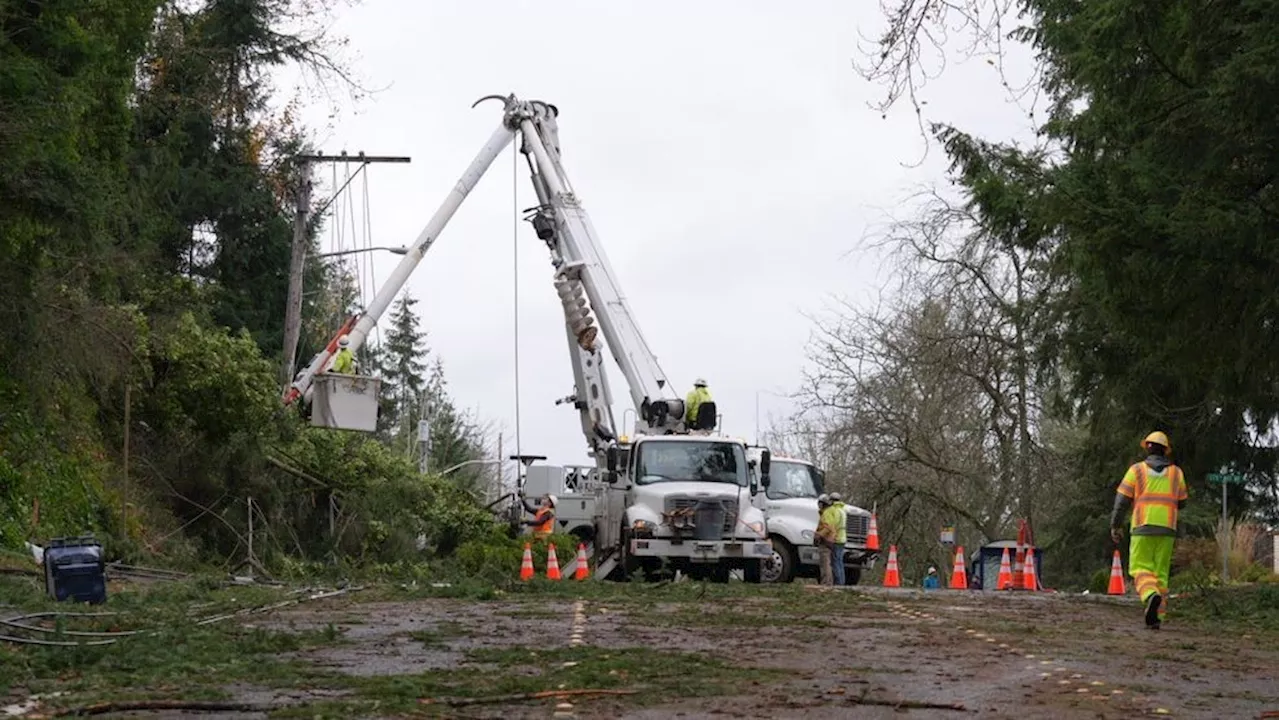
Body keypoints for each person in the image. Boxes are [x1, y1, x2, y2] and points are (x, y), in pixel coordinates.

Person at [1111, 430, 1188, 630]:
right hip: (1167, 529)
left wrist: (1115, 525)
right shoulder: (1176, 473)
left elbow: (1121, 501)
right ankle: (1156, 617)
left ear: (1147, 448)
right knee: (1160, 573)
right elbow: (1182, 502)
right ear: (1166, 451)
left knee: (1139, 568)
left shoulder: (1136, 470)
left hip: (1142, 527)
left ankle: (1149, 595)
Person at [828, 492, 848, 585]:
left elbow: (833, 525)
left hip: (837, 538)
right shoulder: (843, 510)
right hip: (843, 538)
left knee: (835, 562)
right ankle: (842, 582)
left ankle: (838, 583)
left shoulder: (835, 510)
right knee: (840, 561)